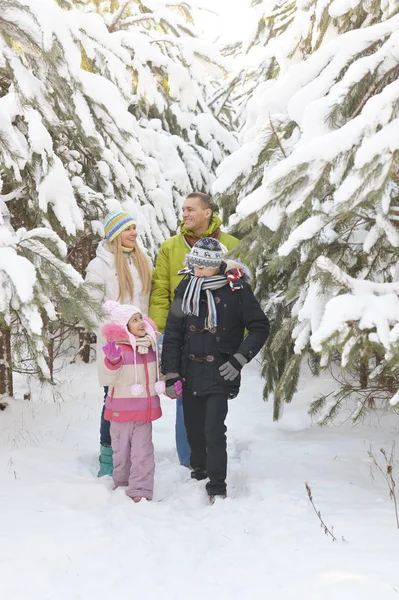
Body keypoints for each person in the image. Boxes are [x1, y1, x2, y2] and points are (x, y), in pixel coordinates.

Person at [161, 238, 269, 502]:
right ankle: (200, 472)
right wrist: (170, 372)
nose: (197, 270)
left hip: (221, 370)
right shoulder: (186, 286)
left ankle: (217, 485)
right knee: (193, 428)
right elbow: (173, 331)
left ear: (216, 265)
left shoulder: (237, 289)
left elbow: (259, 326)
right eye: (194, 265)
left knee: (213, 429)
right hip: (188, 369)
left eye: (203, 267)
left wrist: (239, 359)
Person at [150, 192, 239, 468]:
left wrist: (238, 340)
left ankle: (212, 458)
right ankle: (190, 460)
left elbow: (242, 293)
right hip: (182, 338)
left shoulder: (232, 245)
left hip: (217, 339)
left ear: (207, 213)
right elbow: (161, 291)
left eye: (191, 209)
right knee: (183, 399)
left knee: (214, 400)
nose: (185, 214)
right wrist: (163, 334)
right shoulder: (170, 247)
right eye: (183, 210)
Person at [85, 210, 152, 477]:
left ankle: (134, 454)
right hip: (115, 346)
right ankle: (107, 457)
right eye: (127, 229)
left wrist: (146, 332)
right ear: (114, 235)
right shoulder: (99, 265)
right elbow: (89, 307)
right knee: (112, 400)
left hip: (140, 344)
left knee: (138, 399)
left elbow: (145, 303)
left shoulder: (142, 260)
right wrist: (113, 334)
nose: (134, 233)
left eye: (135, 228)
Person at [101, 301, 164, 502]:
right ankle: (122, 483)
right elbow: (108, 378)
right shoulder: (117, 348)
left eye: (141, 318)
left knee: (143, 452)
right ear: (124, 326)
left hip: (144, 412)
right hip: (120, 412)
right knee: (121, 453)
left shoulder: (151, 346)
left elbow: (158, 375)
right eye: (134, 320)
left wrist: (169, 386)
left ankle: (141, 489)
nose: (140, 323)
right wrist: (112, 361)